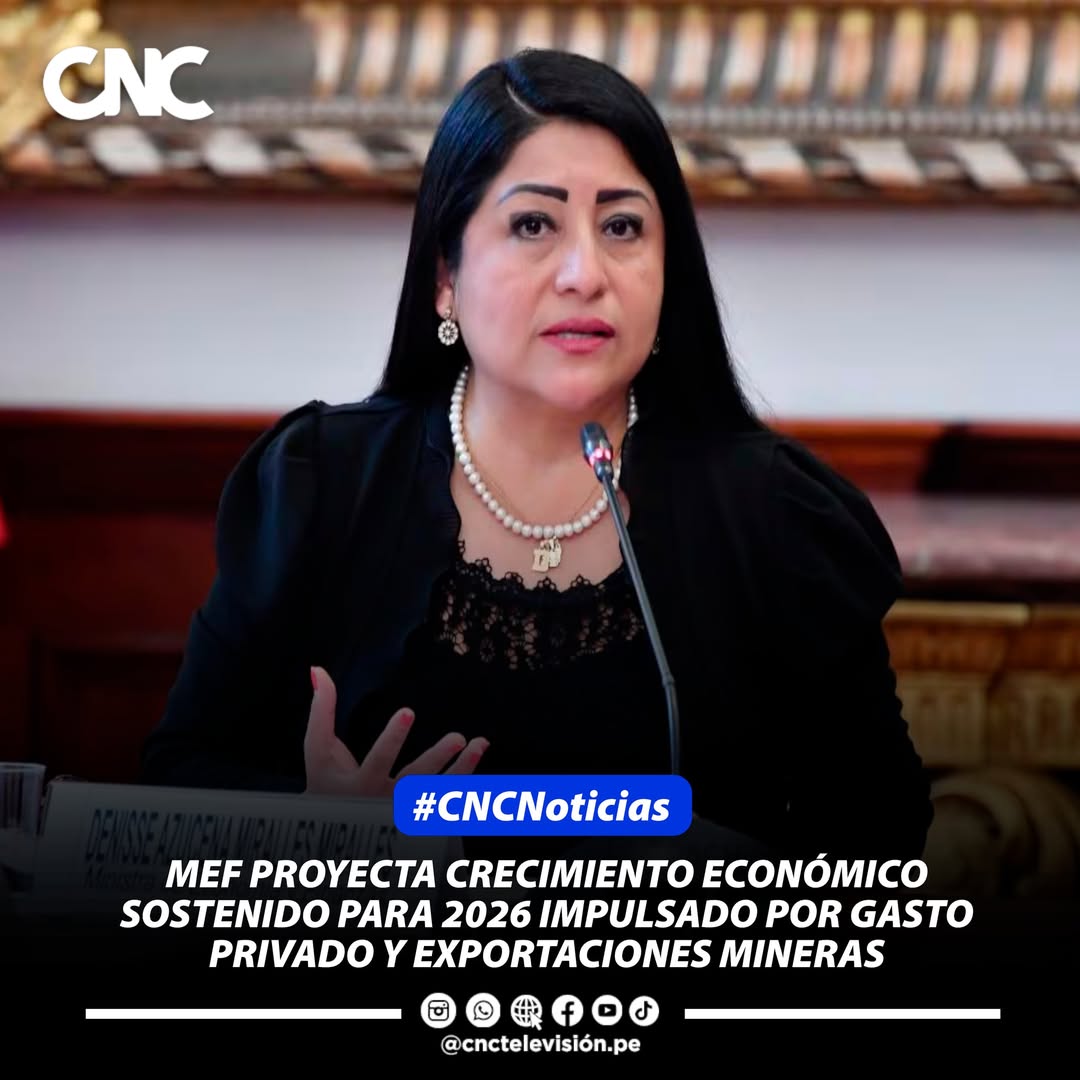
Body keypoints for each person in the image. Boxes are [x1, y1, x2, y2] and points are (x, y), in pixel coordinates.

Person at [141, 49, 933, 859]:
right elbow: (177, 774)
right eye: (532, 225)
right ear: (445, 276)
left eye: (622, 227)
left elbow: (881, 837)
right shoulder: (322, 485)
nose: (585, 274)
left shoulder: (773, 516)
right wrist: (317, 831)